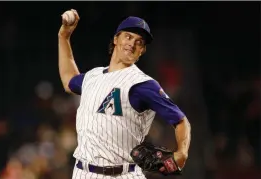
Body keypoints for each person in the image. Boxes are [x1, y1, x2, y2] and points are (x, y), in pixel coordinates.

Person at [58, 9, 191, 179]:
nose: (132, 43)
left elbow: (181, 121)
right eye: (128, 36)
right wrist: (64, 37)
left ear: (142, 50)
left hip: (123, 174)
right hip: (83, 173)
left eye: (139, 41)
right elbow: (69, 80)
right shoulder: (93, 76)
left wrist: (182, 153)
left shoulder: (142, 84)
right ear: (115, 39)